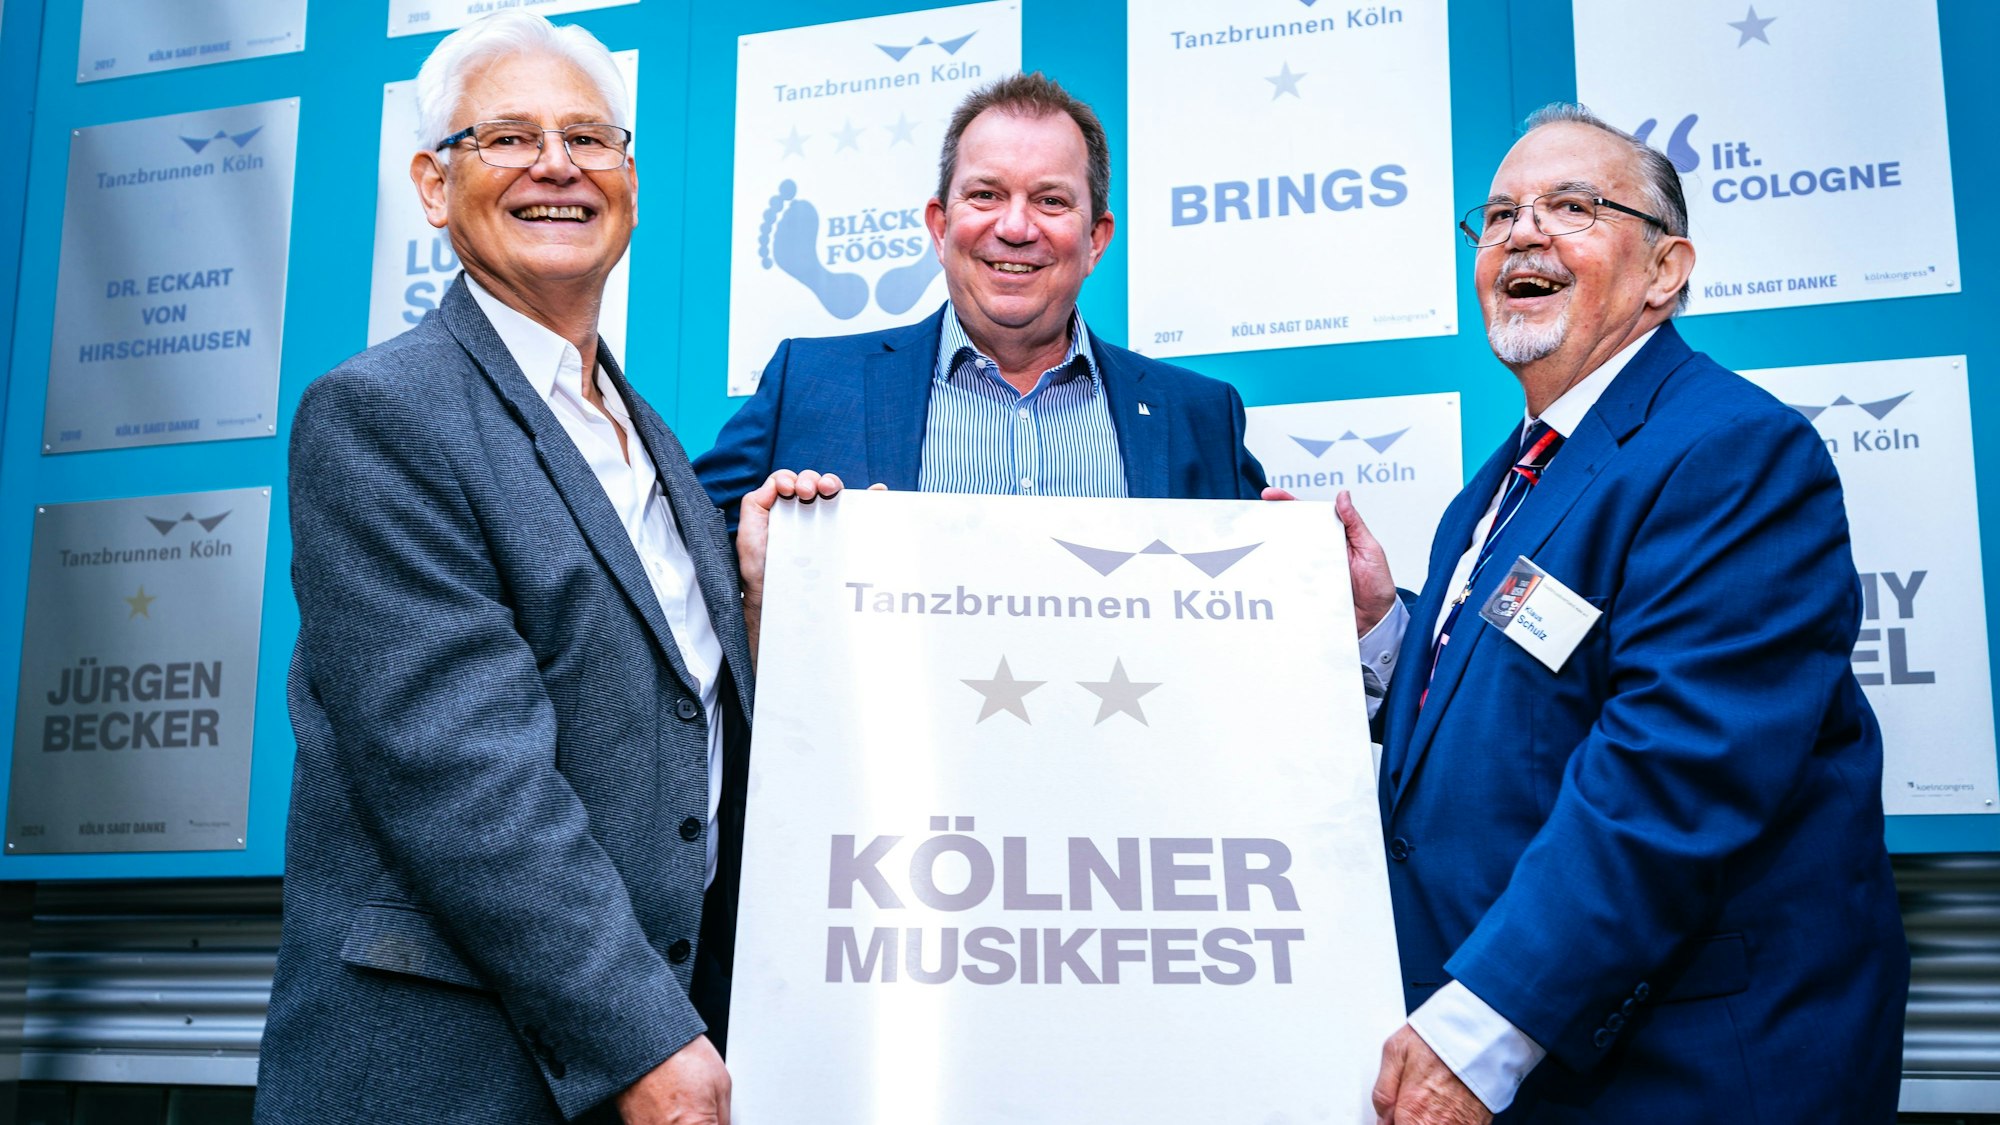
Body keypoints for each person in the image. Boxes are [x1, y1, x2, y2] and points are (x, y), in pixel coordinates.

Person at [1345, 104, 1908, 1123]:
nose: (1521, 232)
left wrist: (1479, 1033)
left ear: (1664, 269)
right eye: (1500, 214)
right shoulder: (1493, 492)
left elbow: (1672, 775)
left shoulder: (1731, 453)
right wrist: (1383, 622)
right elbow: (1519, 714)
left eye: (1571, 207)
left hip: (1683, 1074)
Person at [258, 14, 747, 1123]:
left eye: (589, 137)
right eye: (509, 138)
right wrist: (647, 1039)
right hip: (452, 1073)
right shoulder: (381, 415)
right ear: (434, 185)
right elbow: (464, 775)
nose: (557, 166)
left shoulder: (653, 442)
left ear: (628, 177)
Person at [694, 72, 1267, 525]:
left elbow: (1263, 610)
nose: (1015, 227)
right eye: (986, 194)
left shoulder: (1201, 415)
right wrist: (760, 582)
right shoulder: (810, 384)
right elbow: (674, 564)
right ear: (941, 228)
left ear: (1095, 241)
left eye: (1050, 201)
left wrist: (1353, 614)